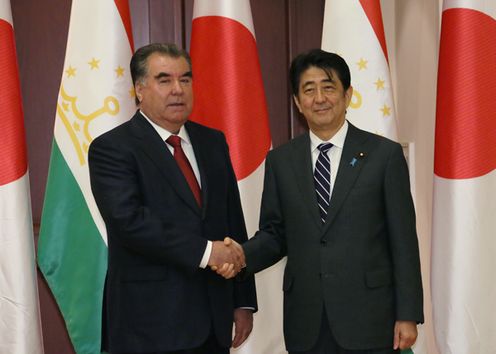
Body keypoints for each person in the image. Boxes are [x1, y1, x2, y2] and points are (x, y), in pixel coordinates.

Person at [216, 49, 423, 354]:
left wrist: (408, 315)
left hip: (370, 318)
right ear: (298, 102)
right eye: (308, 90)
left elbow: (403, 241)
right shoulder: (280, 161)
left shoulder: (384, 156)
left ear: (347, 94)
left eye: (328, 87)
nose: (320, 98)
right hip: (307, 321)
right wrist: (242, 256)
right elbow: (275, 234)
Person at [88, 43, 256, 354]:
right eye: (164, 80)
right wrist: (207, 253)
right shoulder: (112, 148)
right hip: (149, 325)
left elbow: (232, 219)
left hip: (213, 321)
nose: (177, 90)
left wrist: (242, 299)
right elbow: (130, 222)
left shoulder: (213, 141)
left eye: (186, 79)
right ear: (140, 89)